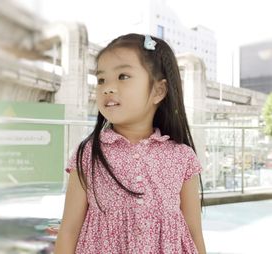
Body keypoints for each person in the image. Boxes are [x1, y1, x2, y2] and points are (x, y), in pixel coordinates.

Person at [54, 33, 206, 254]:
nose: (107, 88)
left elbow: (193, 232)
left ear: (158, 91)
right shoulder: (88, 154)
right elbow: (68, 230)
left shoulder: (182, 157)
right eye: (101, 80)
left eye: (123, 76)